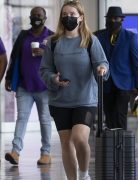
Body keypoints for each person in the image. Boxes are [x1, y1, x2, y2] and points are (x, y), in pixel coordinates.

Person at [39, 1, 109, 179]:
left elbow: (102, 62)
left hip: (85, 99)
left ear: (81, 17)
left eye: (72, 14)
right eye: (64, 14)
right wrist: (54, 79)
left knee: (79, 138)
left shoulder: (90, 40)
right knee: (66, 143)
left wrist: (101, 69)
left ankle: (84, 174)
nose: (68, 17)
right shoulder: (53, 42)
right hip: (60, 100)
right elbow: (44, 70)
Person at [3, 6, 53, 166]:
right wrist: (9, 77)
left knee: (45, 119)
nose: (36, 17)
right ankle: (15, 152)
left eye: (39, 15)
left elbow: (60, 58)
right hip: (24, 86)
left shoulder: (52, 36)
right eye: (33, 15)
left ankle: (46, 153)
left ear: (45, 18)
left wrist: (45, 53)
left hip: (45, 87)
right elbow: (14, 57)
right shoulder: (24, 35)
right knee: (22, 118)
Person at [94, 6, 138, 130]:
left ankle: (121, 146)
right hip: (105, 83)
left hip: (124, 84)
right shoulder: (98, 36)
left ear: (121, 20)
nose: (112, 21)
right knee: (109, 117)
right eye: (110, 18)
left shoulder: (130, 37)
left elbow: (136, 62)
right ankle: (112, 145)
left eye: (116, 18)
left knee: (120, 114)